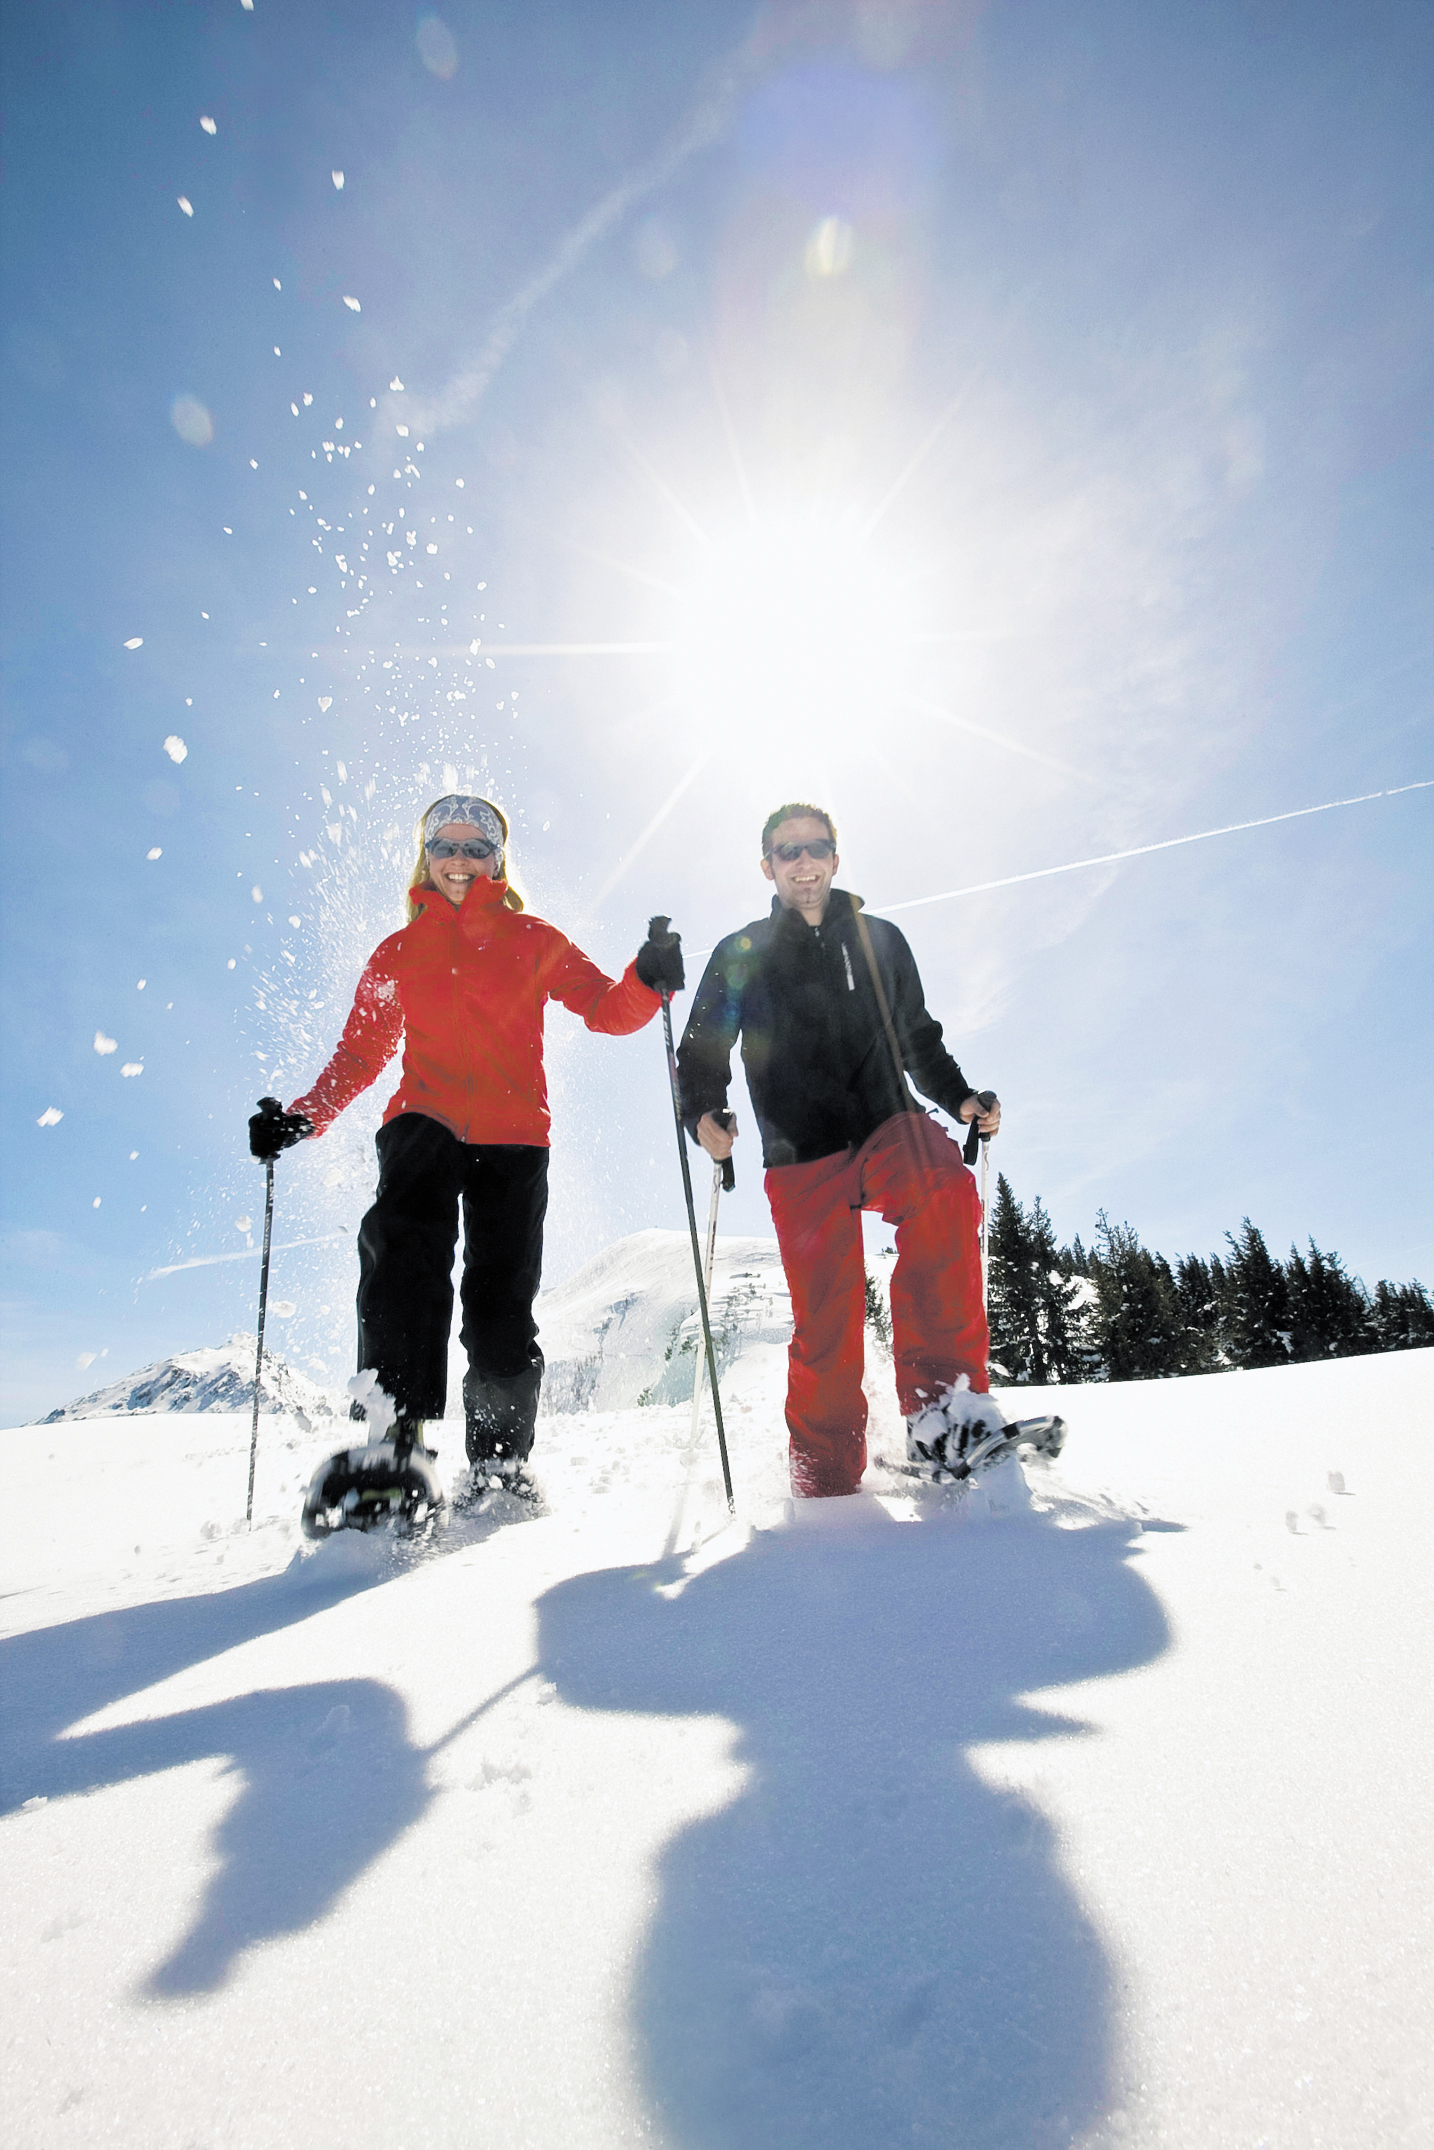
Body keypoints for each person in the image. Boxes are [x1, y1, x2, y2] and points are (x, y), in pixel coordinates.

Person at [249, 792, 683, 1494]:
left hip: (515, 1137)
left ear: (498, 861)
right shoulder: (397, 952)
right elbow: (359, 1057)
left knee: (500, 1299)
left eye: (475, 848)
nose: (459, 860)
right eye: (444, 847)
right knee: (402, 1249)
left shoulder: (534, 939)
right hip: (423, 1117)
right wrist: (301, 1119)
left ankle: (500, 1459)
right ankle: (396, 1440)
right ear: (425, 859)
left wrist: (645, 978)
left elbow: (606, 1009)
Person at [676, 801, 1002, 1499]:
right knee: (827, 1318)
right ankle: (824, 1480)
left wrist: (961, 1099)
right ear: (767, 866)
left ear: (836, 856)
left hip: (888, 1120)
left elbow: (918, 1037)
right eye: (788, 852)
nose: (804, 862)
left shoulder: (881, 940)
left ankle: (943, 1413)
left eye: (816, 847)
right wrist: (702, 1113)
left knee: (945, 1189)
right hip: (801, 1151)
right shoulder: (742, 953)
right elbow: (702, 1050)